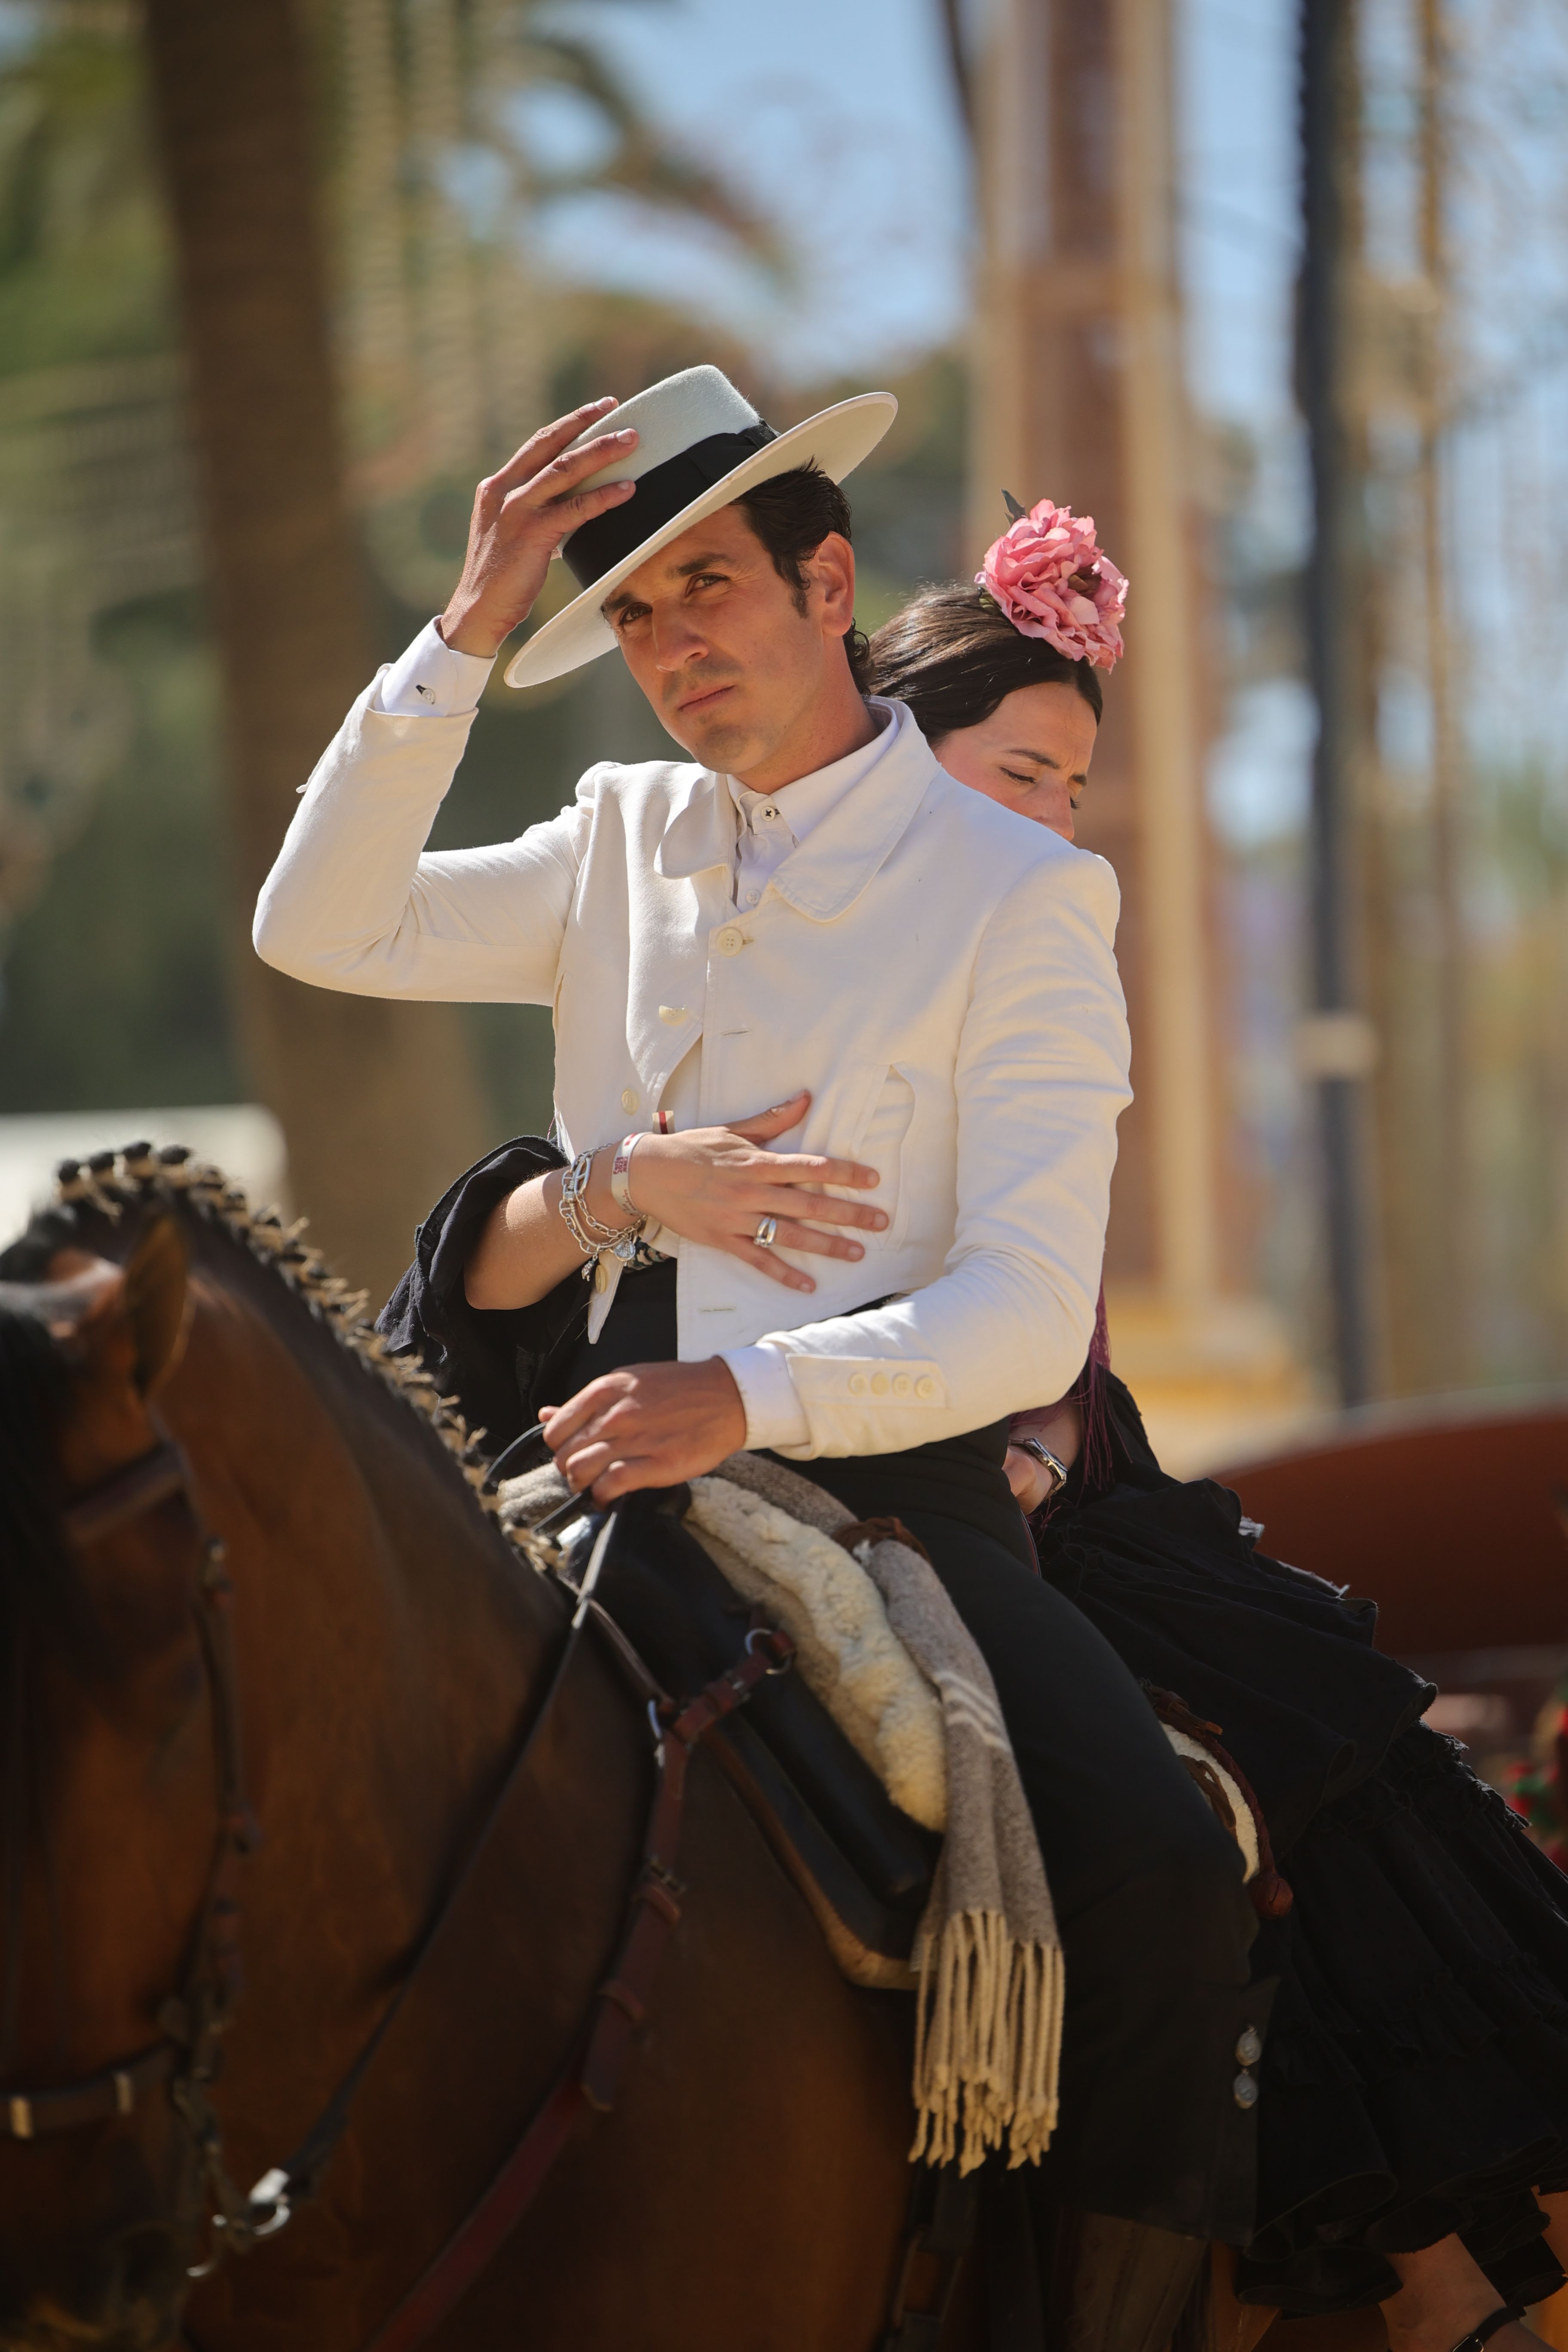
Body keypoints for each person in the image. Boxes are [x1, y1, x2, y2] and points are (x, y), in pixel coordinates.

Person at [253, 365, 1268, 2342]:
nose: (667, 646)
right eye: (628, 615)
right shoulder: (615, 828)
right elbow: (321, 926)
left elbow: (1026, 1309)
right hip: (568, 1476)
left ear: (830, 584)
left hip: (893, 1501)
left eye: (704, 586)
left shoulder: (1029, 895)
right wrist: (469, 626)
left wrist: (744, 1397)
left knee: (1156, 1869)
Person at [864, 512, 1568, 2352]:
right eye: (1024, 771)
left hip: (1040, 1473)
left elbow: (1044, 1295)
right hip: (816, 1454)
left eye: (1077, 788)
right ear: (897, 755)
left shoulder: (1040, 956)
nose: (1058, 820)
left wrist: (1012, 1454)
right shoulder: (786, 946)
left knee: (1281, 1787)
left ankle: (1415, 2284)